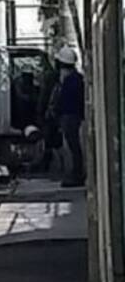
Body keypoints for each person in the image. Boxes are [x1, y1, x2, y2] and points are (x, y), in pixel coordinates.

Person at [56, 48, 85, 188]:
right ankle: (75, 173)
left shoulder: (72, 80)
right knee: (73, 147)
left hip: (71, 117)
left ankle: (77, 174)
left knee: (74, 148)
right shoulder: (75, 79)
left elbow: (66, 100)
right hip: (71, 116)